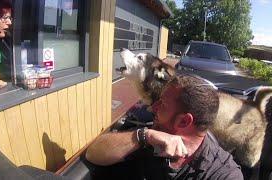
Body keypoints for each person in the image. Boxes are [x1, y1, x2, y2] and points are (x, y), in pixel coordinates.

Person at [86, 74, 243, 180]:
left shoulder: (222, 173)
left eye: (162, 104)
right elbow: (93, 154)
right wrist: (143, 136)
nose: (153, 107)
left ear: (184, 121)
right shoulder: (150, 134)